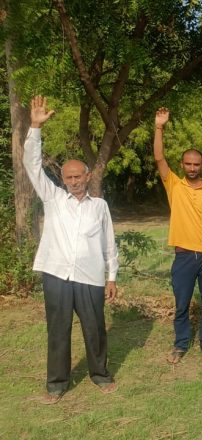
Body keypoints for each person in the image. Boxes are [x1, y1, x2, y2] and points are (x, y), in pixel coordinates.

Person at [23, 96, 119, 404]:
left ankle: (100, 375)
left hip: (90, 277)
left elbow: (108, 243)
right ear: (62, 180)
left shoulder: (99, 206)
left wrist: (112, 276)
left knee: (95, 329)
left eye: (79, 176)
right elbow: (32, 165)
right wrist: (35, 127)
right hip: (56, 275)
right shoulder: (53, 198)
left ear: (88, 176)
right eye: (69, 177)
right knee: (58, 330)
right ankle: (57, 384)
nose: (74, 181)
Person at [153, 107, 202, 364]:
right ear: (182, 165)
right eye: (188, 164)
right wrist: (159, 127)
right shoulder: (175, 185)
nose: (192, 168)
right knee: (182, 303)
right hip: (184, 255)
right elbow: (159, 158)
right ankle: (180, 345)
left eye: (196, 164)